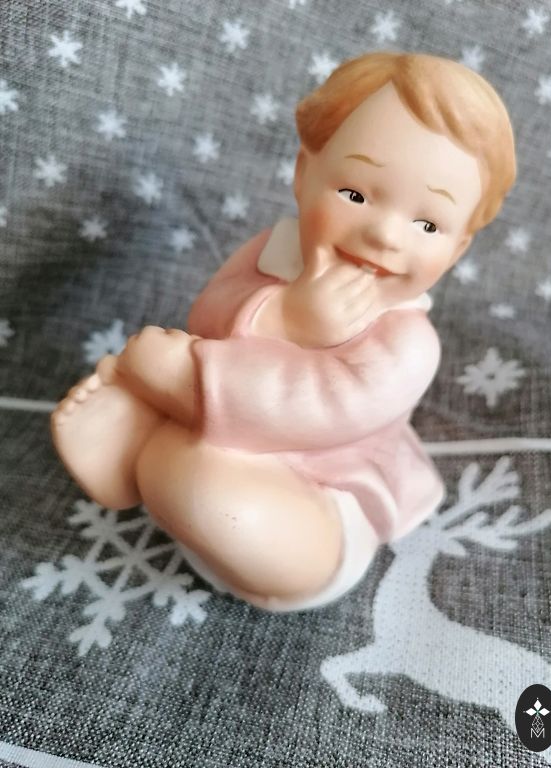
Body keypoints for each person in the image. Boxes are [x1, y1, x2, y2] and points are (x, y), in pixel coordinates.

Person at [51, 51, 516, 612]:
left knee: (201, 485)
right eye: (355, 195)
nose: (385, 235)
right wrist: (278, 315)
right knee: (185, 465)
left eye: (428, 224)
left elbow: (311, 410)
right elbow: (209, 316)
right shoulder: (271, 254)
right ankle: (144, 448)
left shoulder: (406, 342)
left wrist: (182, 379)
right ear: (303, 174)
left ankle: (157, 449)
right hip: (227, 444)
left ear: (459, 247)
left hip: (327, 496)